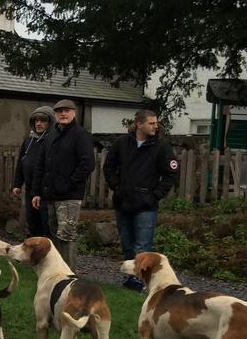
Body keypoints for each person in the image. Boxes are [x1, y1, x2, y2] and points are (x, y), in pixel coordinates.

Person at [104, 108, 178, 291]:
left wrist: (155, 195)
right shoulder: (122, 143)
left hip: (146, 204)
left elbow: (171, 174)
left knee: (143, 246)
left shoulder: (161, 147)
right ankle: (130, 278)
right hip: (123, 201)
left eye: (156, 123)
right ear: (139, 124)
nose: (155, 126)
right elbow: (109, 167)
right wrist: (116, 187)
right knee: (127, 243)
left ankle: (140, 282)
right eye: (151, 123)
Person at [31, 98, 95, 268]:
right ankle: (55, 272)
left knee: (66, 235)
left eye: (67, 111)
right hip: (50, 195)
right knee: (53, 235)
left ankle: (69, 275)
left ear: (74, 113)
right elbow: (41, 165)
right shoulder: (51, 135)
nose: (63, 114)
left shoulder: (81, 135)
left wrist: (69, 183)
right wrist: (37, 191)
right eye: (60, 111)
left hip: (69, 196)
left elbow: (88, 164)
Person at [12, 106, 55, 238]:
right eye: (36, 120)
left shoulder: (52, 140)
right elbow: (21, 162)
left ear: (50, 123)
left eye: (43, 120)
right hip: (30, 189)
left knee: (46, 225)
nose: (39, 123)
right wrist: (17, 184)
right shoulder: (29, 140)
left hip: (46, 190)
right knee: (31, 223)